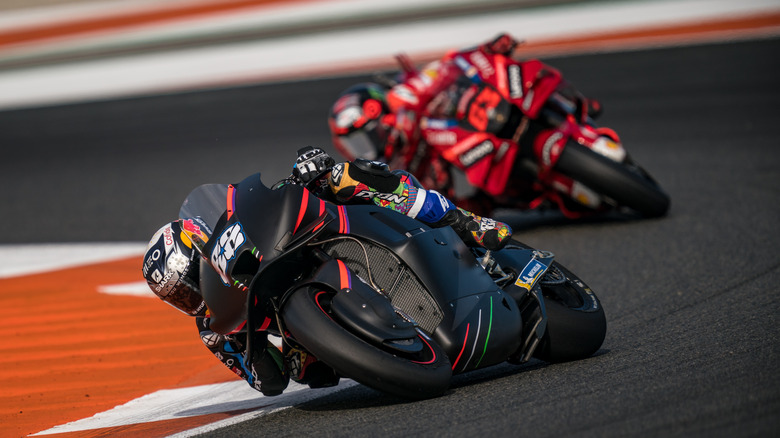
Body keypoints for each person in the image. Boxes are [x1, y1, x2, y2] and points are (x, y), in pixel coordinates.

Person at [141, 147, 512, 397]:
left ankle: (462, 221)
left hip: (306, 243)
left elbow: (273, 200)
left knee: (343, 177)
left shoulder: (237, 225)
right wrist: (247, 350)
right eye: (179, 297)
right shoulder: (214, 326)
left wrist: (308, 171)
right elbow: (270, 383)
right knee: (306, 371)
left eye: (188, 282)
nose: (191, 297)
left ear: (200, 242)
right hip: (320, 343)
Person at [328, 33, 604, 216]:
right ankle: (536, 193)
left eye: (368, 134)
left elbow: (448, 66)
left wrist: (486, 51)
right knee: (478, 204)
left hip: (478, 115)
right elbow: (425, 198)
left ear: (381, 114)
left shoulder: (406, 96)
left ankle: (569, 107)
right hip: (471, 165)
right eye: (357, 143)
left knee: (514, 74)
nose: (369, 146)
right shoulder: (398, 166)